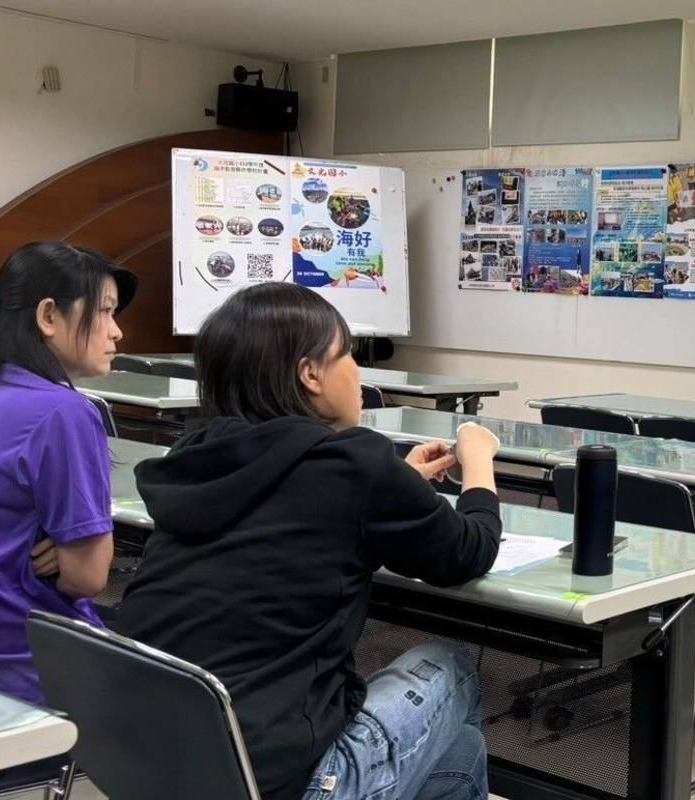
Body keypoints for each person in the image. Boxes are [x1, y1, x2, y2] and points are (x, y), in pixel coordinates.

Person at [116, 283, 502, 800]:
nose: (357, 373)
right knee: (452, 668)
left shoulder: (197, 456)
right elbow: (468, 552)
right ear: (311, 374)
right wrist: (479, 461)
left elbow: (295, 506)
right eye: (347, 354)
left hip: (156, 766)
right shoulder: (353, 466)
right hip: (279, 781)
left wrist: (396, 482)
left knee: (460, 755)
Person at [0, 241, 136, 705]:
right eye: (105, 311)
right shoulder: (63, 412)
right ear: (49, 316)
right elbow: (88, 578)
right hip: (35, 666)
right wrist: (82, 552)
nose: (117, 332)